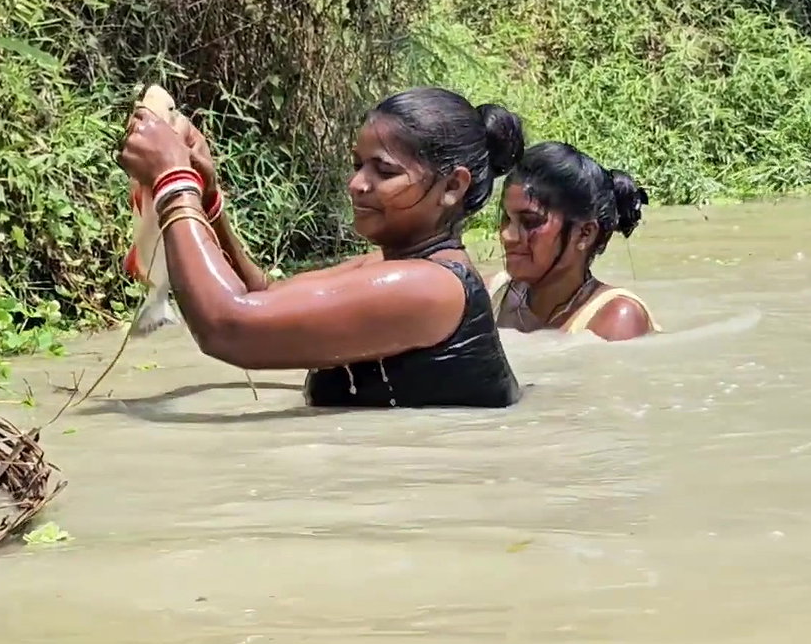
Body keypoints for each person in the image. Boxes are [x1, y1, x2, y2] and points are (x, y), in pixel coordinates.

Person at [115, 86, 525, 408]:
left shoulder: (430, 287)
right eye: (357, 165)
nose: (356, 184)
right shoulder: (390, 267)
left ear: (453, 186)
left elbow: (230, 328)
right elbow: (265, 297)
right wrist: (206, 197)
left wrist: (173, 179)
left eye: (383, 171)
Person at [488, 142, 660, 341]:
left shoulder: (616, 318)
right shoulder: (491, 295)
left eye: (530, 222)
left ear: (585, 234)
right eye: (507, 218)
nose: (507, 235)